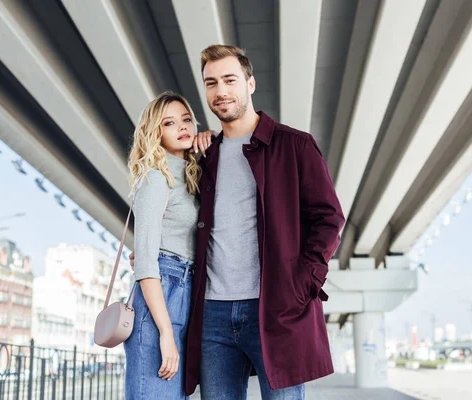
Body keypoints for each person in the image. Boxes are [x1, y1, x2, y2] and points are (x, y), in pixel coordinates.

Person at [185, 45, 345, 399]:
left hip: (276, 307)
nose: (221, 91)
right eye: (211, 83)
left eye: (230, 80)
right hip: (212, 314)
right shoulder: (204, 154)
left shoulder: (295, 146)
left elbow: (329, 218)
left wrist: (303, 283)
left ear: (250, 84)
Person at [124, 91, 201, 399]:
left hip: (185, 288)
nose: (182, 127)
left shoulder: (191, 176)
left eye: (186, 119)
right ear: (156, 132)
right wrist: (166, 332)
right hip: (163, 292)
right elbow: (144, 264)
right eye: (170, 123)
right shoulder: (156, 178)